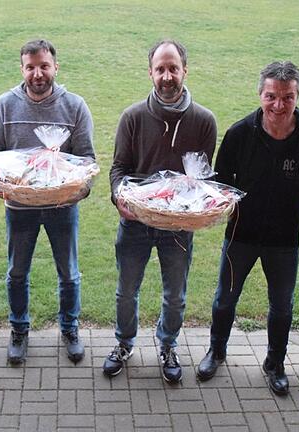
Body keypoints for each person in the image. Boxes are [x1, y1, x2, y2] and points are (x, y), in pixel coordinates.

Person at [196, 62, 299, 395]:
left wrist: (289, 203)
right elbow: (222, 181)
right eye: (271, 96)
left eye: (288, 97)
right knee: (225, 299)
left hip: (285, 240)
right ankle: (217, 350)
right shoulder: (240, 134)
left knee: (282, 305)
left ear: (298, 96)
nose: (279, 105)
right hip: (240, 236)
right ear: (260, 94)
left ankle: (275, 362)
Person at [104, 39, 217, 383]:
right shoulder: (133, 117)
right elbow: (119, 169)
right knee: (126, 290)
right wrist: (119, 198)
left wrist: (196, 205)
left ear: (185, 70)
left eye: (173, 69)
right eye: (160, 69)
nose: (167, 76)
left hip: (178, 227)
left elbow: (204, 179)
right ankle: (124, 343)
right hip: (135, 223)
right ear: (150, 72)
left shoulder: (203, 121)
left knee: (175, 294)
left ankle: (168, 345)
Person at [0, 39, 95, 364]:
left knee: (69, 272)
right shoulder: (5, 105)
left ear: (56, 67)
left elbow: (87, 159)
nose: (37, 74)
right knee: (17, 271)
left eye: (44, 66)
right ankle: (19, 330)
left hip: (62, 206)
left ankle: (70, 329)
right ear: (22, 69)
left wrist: (76, 189)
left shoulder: (74, 106)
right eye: (30, 67)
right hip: (19, 207)